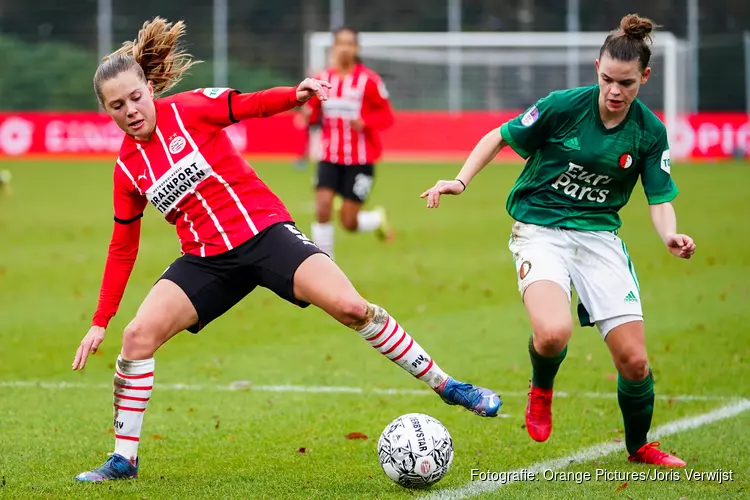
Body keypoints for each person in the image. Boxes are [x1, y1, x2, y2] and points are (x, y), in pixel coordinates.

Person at [72, 17, 501, 483]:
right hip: (206, 260)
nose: (131, 110)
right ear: (107, 111)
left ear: (149, 88)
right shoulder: (126, 169)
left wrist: (291, 96)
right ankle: (123, 460)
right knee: (136, 339)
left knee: (353, 307)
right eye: (118, 106)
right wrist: (100, 321)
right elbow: (122, 248)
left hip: (266, 233)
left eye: (136, 97)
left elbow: (245, 104)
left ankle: (448, 385)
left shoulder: (189, 110)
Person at [420, 14, 695, 467]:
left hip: (599, 240)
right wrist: (460, 181)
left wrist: (670, 235)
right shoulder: (563, 106)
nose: (614, 90)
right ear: (596, 69)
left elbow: (659, 195)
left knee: (635, 362)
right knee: (552, 333)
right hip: (540, 231)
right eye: (606, 78)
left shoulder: (649, 131)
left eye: (625, 83)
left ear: (644, 77)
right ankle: (542, 388)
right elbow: (499, 136)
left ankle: (639, 446)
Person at [298, 26, 395, 260]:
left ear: (356, 48)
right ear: (333, 47)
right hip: (329, 156)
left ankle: (375, 220)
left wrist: (366, 122)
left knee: (348, 222)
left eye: (350, 43)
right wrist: (304, 112)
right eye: (340, 43)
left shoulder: (369, 81)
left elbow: (387, 117)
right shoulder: (322, 79)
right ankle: (325, 264)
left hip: (360, 160)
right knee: (322, 207)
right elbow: (312, 113)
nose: (345, 48)